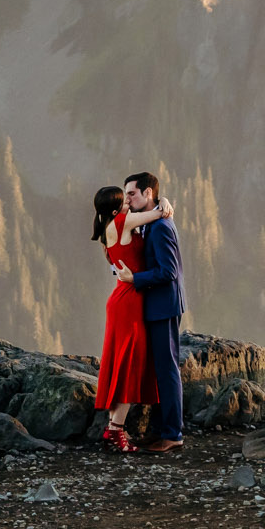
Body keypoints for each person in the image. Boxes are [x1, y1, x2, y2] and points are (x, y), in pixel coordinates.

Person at [93, 177, 171, 451]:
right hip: (129, 301)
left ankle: (113, 429)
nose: (128, 200)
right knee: (129, 365)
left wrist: (131, 275)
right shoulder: (122, 223)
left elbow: (118, 267)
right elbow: (159, 213)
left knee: (121, 361)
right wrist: (165, 201)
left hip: (121, 297)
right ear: (115, 209)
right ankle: (116, 431)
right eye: (123, 198)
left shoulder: (107, 229)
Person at [118, 170, 187, 452]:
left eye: (132, 193)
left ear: (148, 193)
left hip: (164, 306)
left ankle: (173, 435)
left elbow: (168, 271)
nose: (128, 199)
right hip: (156, 306)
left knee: (168, 370)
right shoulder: (152, 219)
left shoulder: (160, 226)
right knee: (159, 371)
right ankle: (161, 431)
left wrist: (135, 280)